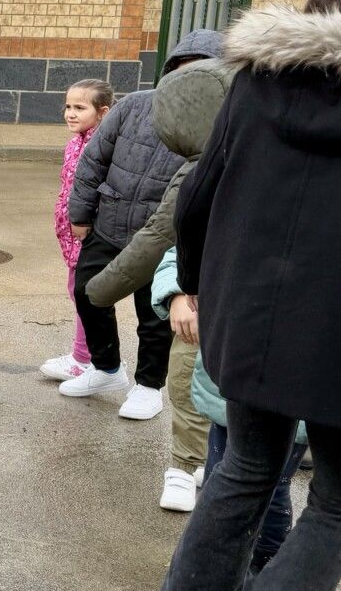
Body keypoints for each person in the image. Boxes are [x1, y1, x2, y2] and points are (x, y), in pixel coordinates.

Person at [144, 0, 341, 591]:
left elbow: (199, 193)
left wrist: (197, 284)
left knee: (245, 469)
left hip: (252, 319)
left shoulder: (258, 82)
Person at [83, 58, 233, 512]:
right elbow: (168, 239)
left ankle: (224, 464)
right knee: (189, 381)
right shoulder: (198, 167)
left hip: (256, 304)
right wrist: (180, 291)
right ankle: (184, 467)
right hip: (197, 296)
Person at [64, 29, 224, 418]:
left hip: (164, 237)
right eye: (182, 70)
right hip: (109, 223)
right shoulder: (134, 105)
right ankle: (105, 368)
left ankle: (148, 386)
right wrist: (81, 214)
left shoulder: (221, 122)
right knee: (87, 292)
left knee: (153, 317)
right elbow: (93, 161)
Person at [152, 246, 308, 555]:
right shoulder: (240, 201)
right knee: (221, 486)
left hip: (297, 384)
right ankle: (220, 572)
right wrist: (178, 293)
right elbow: (185, 245)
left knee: (271, 491)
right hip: (232, 381)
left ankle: (261, 570)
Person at [40, 79, 113, 382]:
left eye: (80, 107)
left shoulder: (104, 147)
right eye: (68, 106)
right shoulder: (74, 144)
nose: (70, 113)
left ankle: (83, 359)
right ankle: (89, 356)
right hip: (71, 234)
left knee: (85, 293)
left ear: (103, 112)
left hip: (90, 235)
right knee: (77, 291)